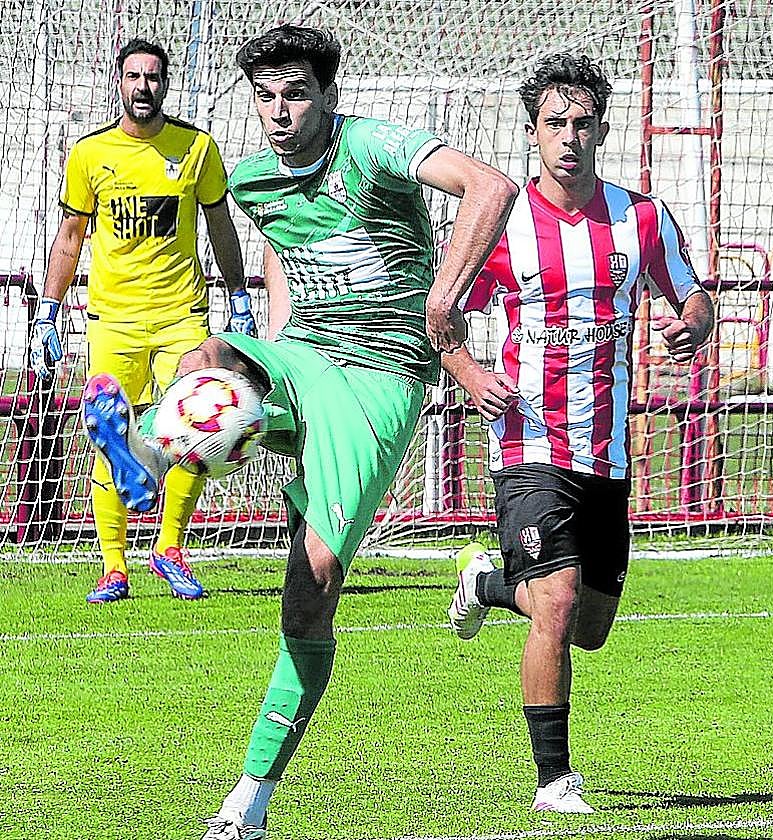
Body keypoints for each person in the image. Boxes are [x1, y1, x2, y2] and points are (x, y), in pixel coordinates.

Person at [79, 25, 517, 839]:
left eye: (296, 94)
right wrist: (276, 363)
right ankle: (144, 452)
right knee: (209, 352)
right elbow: (283, 256)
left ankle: (251, 799)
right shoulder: (250, 181)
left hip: (380, 380)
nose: (278, 112)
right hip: (303, 357)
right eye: (265, 96)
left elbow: (491, 188)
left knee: (309, 593)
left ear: (328, 97)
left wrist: (441, 304)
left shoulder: (376, 148)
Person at [442, 53, 714, 814]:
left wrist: (689, 325)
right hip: (529, 443)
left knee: (588, 625)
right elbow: (443, 316)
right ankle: (554, 780)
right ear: (533, 133)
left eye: (583, 123)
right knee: (557, 606)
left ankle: (486, 583)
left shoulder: (644, 216)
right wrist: (467, 372)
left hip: (607, 453)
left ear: (601, 128)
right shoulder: (501, 222)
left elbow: (695, 297)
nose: (570, 137)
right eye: (555, 123)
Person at [29, 38, 252, 604]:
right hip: (113, 320)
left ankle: (171, 550)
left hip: (183, 315)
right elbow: (72, 236)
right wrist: (50, 311)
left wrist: (238, 295)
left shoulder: (196, 148)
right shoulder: (89, 155)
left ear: (166, 83)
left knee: (196, 433)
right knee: (110, 438)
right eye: (134, 77)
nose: (144, 87)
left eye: (154, 77)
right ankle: (113, 567)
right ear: (119, 82)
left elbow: (221, 226)